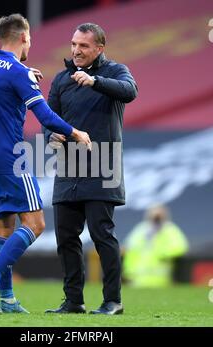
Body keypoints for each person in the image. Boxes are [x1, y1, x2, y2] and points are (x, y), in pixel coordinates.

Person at [0, 14, 91, 314]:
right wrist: (75, 132)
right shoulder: (17, 72)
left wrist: (23, 75)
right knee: (35, 225)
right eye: (30, 40)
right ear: (24, 37)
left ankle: (8, 299)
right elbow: (46, 117)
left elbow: (7, 81)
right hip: (10, 157)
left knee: (2, 228)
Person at [44, 23, 138, 315]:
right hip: (69, 170)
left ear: (99, 48)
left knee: (102, 235)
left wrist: (94, 81)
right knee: (66, 239)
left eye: (83, 46)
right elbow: (50, 119)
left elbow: (130, 91)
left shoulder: (115, 72)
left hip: (101, 168)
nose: (76, 51)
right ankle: (73, 301)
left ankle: (113, 301)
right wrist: (53, 135)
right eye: (73, 44)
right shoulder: (61, 80)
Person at [122, 204, 189, 287]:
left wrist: (162, 254)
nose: (156, 219)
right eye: (154, 215)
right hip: (137, 280)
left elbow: (180, 248)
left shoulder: (170, 230)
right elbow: (129, 250)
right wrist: (128, 272)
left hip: (160, 280)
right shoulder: (141, 230)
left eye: (158, 216)